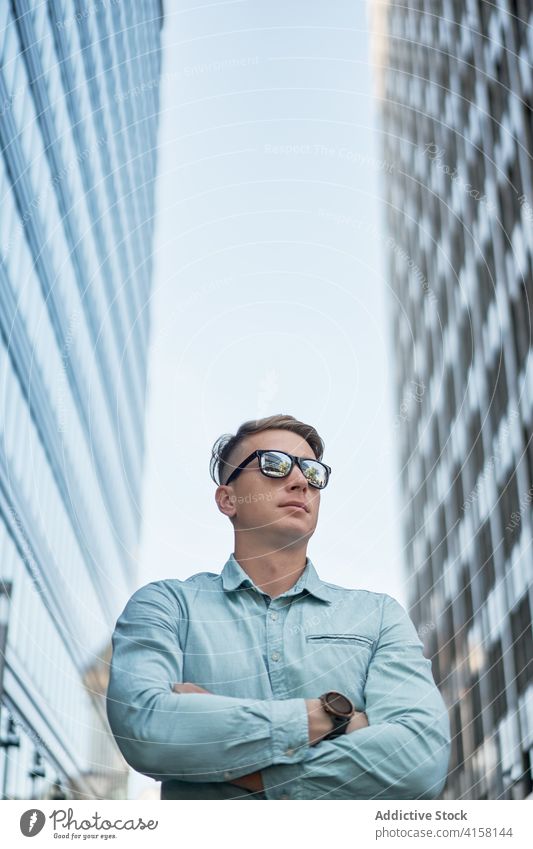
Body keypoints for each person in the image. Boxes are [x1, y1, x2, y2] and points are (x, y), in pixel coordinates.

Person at [106, 414, 451, 799]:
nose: (301, 481)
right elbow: (146, 730)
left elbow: (420, 762)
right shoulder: (167, 607)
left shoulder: (378, 616)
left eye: (313, 473)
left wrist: (252, 769)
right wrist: (335, 719)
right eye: (274, 464)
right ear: (227, 499)